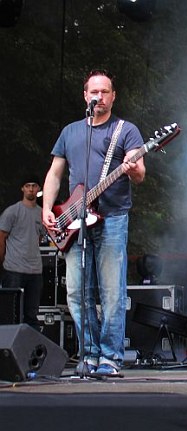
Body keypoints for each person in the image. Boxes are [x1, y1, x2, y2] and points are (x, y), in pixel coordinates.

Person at [42, 69, 146, 376]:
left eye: (105, 92)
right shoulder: (70, 132)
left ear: (113, 97)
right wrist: (47, 209)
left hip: (112, 218)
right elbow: (55, 174)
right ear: (85, 96)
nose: (99, 97)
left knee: (111, 292)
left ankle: (110, 357)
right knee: (77, 292)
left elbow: (140, 172)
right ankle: (88, 354)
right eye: (94, 92)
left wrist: (133, 169)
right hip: (75, 220)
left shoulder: (126, 130)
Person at [0, 176, 47, 330]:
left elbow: (39, 238)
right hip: (13, 269)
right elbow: (1, 237)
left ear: (38, 188)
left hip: (35, 271)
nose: (31, 189)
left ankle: (30, 345)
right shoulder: (12, 212)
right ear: (22, 188)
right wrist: (2, 262)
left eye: (34, 186)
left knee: (32, 315)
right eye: (27, 186)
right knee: (10, 315)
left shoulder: (42, 213)